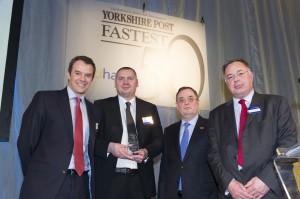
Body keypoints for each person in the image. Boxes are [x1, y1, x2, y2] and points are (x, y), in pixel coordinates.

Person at [207, 58, 298, 199]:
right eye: (230, 77)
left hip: (270, 192)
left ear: (251, 75)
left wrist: (266, 180)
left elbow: (288, 144)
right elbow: (213, 154)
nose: (236, 79)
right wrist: (229, 184)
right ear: (226, 83)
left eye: (240, 73)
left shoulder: (276, 104)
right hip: (233, 194)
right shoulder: (216, 115)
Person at [17, 55, 101, 199]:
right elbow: (25, 143)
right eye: (78, 73)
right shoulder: (45, 99)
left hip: (81, 185)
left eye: (88, 75)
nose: (83, 79)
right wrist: (36, 173)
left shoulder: (94, 111)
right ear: (68, 74)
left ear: (92, 79)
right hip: (45, 183)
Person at [94, 67, 164, 199]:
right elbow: (91, 140)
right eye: (121, 78)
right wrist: (110, 147)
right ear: (115, 83)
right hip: (110, 181)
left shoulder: (149, 109)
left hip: (140, 181)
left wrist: (147, 152)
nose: (125, 82)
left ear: (137, 82)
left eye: (130, 78)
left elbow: (158, 140)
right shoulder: (100, 106)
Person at [158, 86, 218, 199]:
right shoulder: (169, 131)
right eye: (181, 100)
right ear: (177, 106)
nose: (186, 103)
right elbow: (164, 168)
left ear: (197, 103)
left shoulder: (211, 127)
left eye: (190, 99)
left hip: (203, 195)